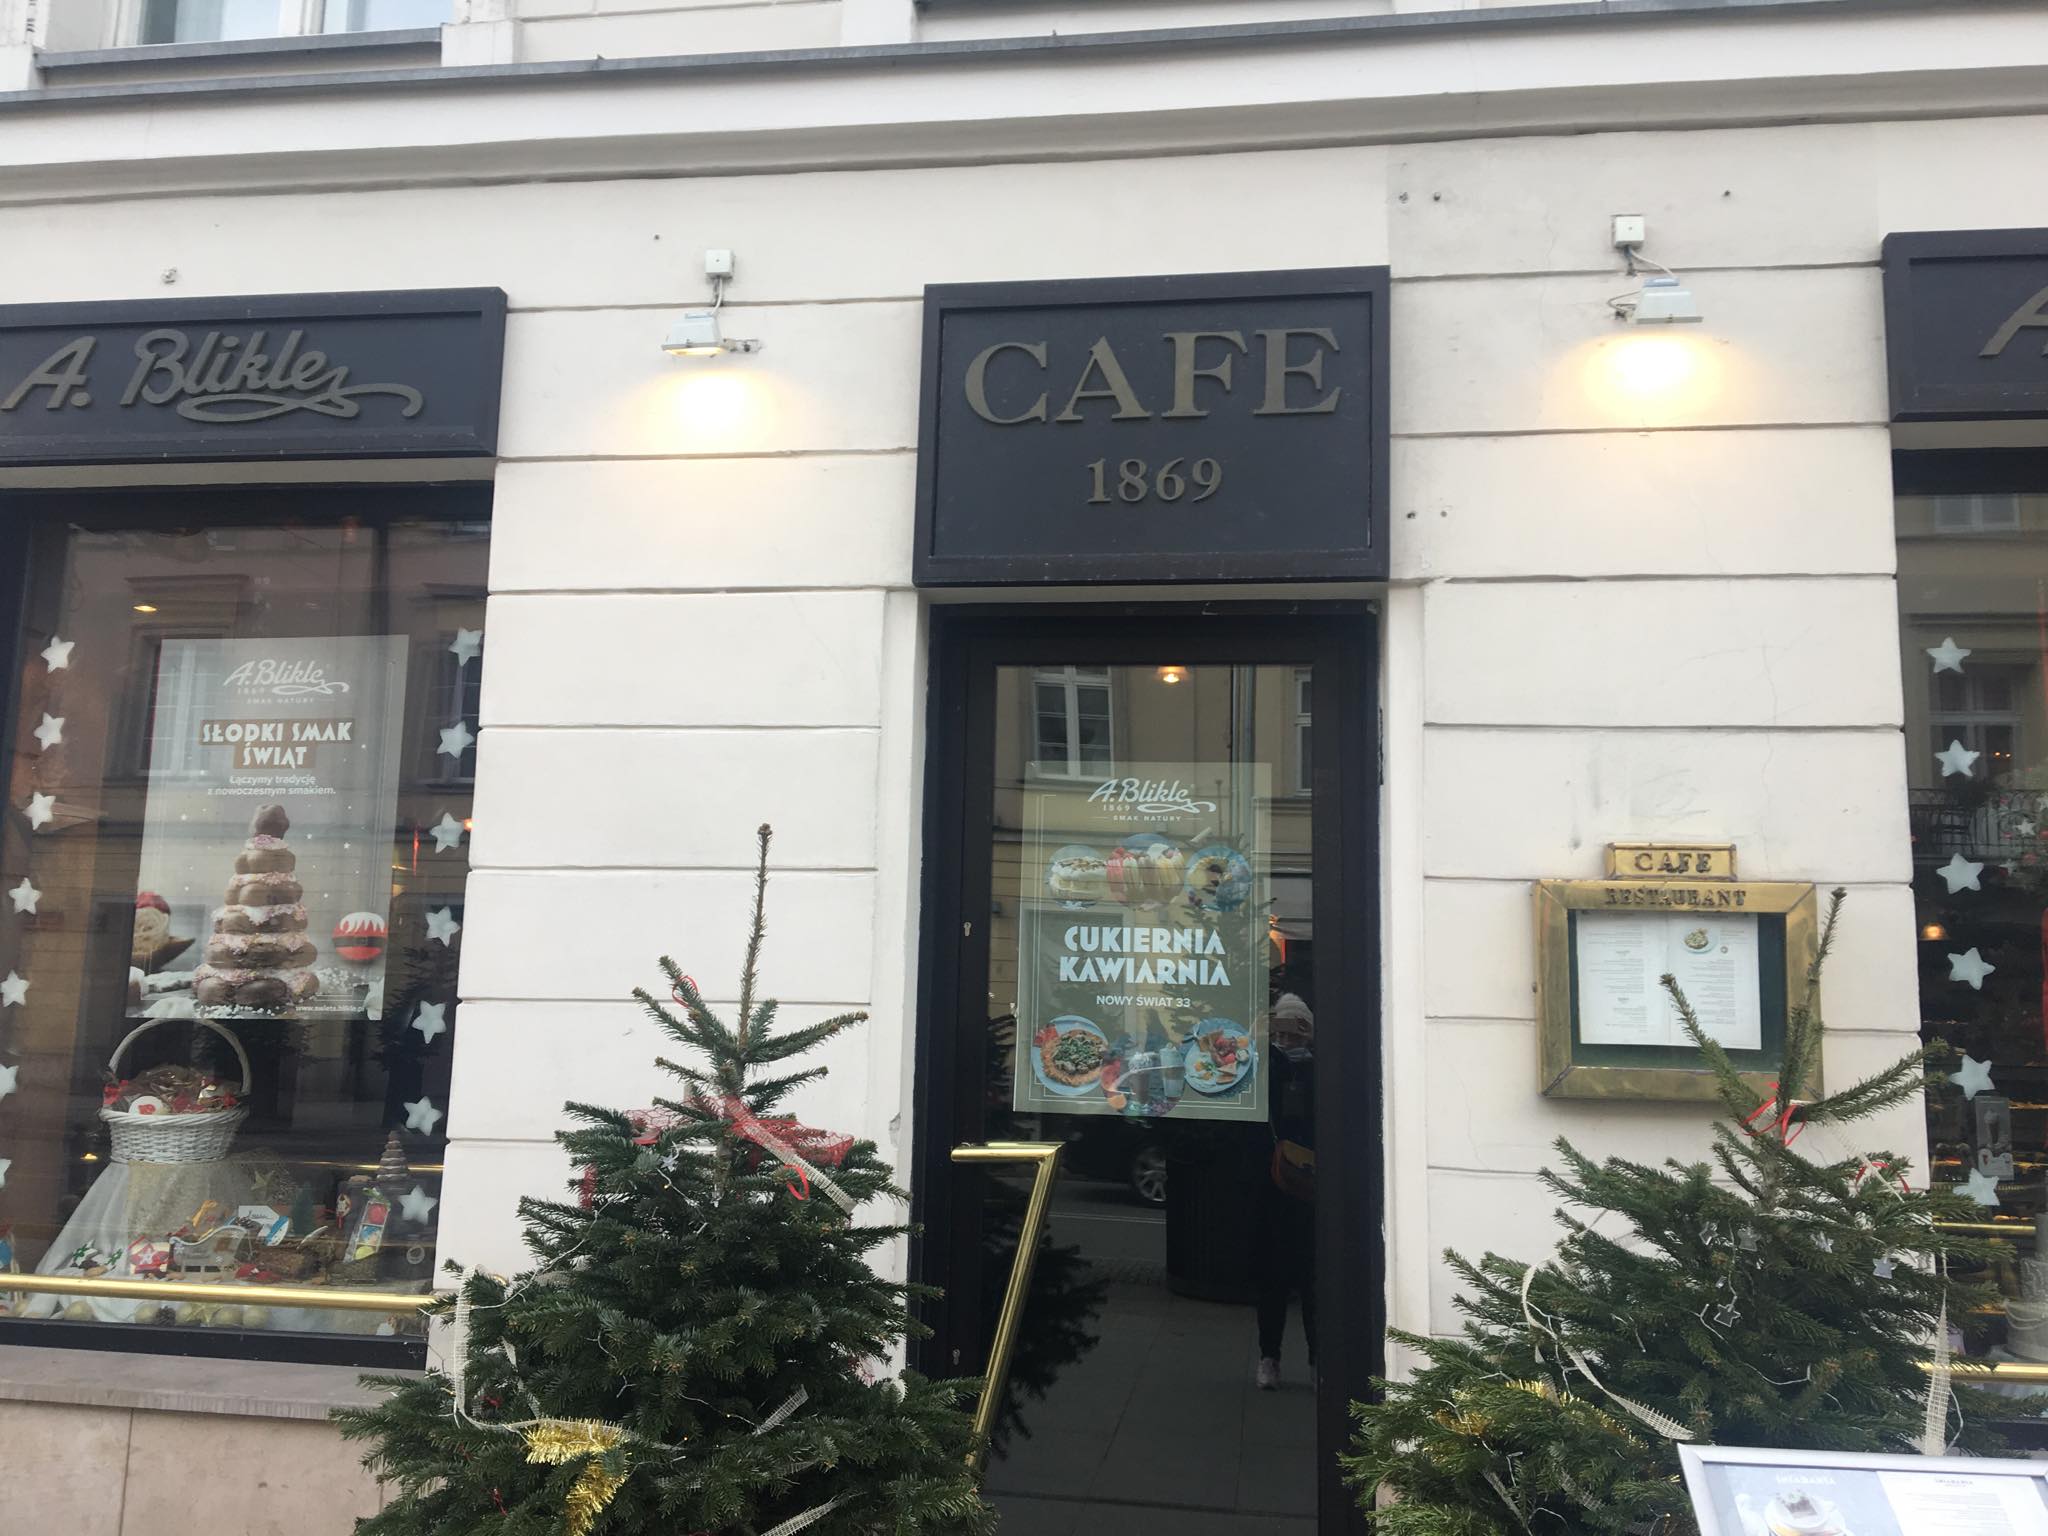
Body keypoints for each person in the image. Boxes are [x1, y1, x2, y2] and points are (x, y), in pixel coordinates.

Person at [1253, 991, 1316, 1389]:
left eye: (1295, 1032)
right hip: (1274, 1184)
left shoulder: (1318, 1070)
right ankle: (1269, 1357)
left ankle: (1316, 1358)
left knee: (1312, 1279)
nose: (1287, 1040)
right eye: (1281, 1032)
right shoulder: (1269, 1067)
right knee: (1273, 1277)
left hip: (1309, 1184)